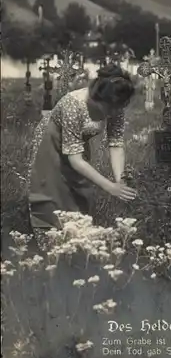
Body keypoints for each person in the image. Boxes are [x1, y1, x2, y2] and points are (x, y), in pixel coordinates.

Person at [27, 64, 137, 240]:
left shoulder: (115, 102)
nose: (115, 112)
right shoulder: (74, 104)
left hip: (76, 145)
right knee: (52, 192)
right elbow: (76, 160)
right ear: (98, 98)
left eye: (120, 107)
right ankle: (50, 243)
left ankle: (76, 242)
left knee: (78, 191)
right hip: (50, 142)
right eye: (111, 108)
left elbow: (115, 143)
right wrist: (109, 187)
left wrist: (119, 181)